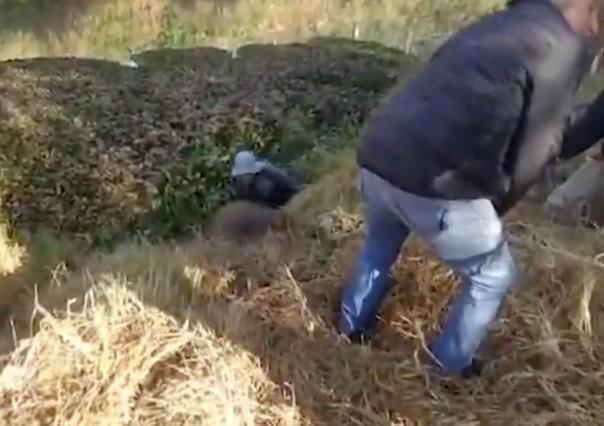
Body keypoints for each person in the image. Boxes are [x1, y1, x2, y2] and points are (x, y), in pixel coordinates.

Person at [338, 0, 604, 379]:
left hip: (380, 153)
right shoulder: (562, 48)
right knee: (494, 274)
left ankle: (347, 332)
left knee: (380, 246)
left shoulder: (505, 21)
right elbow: (538, 148)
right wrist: (498, 208)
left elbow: (438, 72)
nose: (597, 34)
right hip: (434, 182)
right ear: (589, 8)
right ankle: (446, 371)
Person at [230, 150, 299, 208]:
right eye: (242, 176)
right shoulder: (236, 182)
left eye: (247, 175)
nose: (245, 179)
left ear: (253, 173)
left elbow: (288, 186)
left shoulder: (267, 178)